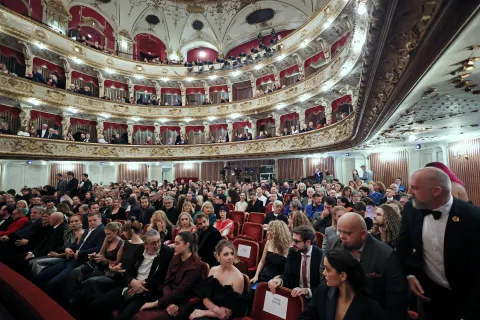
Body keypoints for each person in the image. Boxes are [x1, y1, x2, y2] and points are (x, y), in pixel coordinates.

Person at [396, 167, 480, 320]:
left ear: (436, 191)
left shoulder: (473, 217)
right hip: (431, 297)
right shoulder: (411, 208)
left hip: (467, 299)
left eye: (415, 187)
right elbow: (403, 245)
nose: (409, 192)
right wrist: (409, 274)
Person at [323, 212, 408, 320]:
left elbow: (396, 299)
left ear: (363, 234)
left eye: (347, 233)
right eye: (340, 231)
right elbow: (324, 277)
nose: (341, 237)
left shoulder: (385, 255)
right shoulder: (334, 244)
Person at [87, 230, 174, 320]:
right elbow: (128, 271)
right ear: (145, 245)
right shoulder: (139, 249)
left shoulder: (166, 253)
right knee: (95, 305)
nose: (157, 245)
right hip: (129, 286)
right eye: (153, 243)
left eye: (159, 241)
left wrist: (143, 284)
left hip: (146, 291)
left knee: (123, 317)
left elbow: (163, 277)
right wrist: (132, 281)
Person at [299, 249, 387, 320]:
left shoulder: (371, 308)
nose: (324, 273)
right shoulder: (322, 292)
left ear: (343, 276)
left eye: (327, 269)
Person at [135, 232, 204, 320]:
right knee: (138, 314)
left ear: (187, 244)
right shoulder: (175, 258)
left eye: (177, 243)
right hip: (167, 299)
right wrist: (168, 303)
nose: (174, 246)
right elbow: (166, 283)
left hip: (182, 303)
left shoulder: (196, 265)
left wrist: (155, 303)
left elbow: (181, 291)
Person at [190, 240, 246, 320]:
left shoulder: (238, 277)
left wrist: (204, 313)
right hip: (211, 309)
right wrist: (215, 309)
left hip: (223, 316)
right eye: (226, 254)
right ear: (218, 256)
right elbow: (205, 298)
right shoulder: (213, 270)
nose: (230, 257)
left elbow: (229, 312)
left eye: (232, 253)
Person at [268, 225, 323, 299]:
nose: (293, 244)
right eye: (292, 240)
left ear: (308, 242)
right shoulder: (293, 252)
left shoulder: (320, 255)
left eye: (296, 241)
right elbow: (287, 274)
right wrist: (280, 280)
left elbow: (323, 285)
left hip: (315, 296)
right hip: (295, 294)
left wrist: (307, 291)